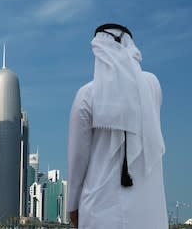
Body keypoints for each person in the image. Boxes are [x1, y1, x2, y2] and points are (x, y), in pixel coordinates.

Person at [67, 24, 168, 228]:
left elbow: (77, 160)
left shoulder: (87, 95)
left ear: (99, 53)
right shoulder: (152, 87)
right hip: (150, 208)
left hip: (100, 207)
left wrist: (72, 205)